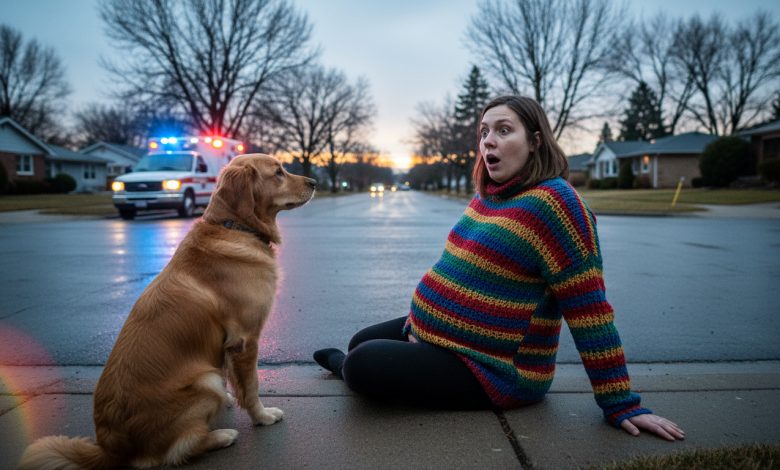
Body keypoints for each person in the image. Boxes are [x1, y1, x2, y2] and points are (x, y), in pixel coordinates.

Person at [314, 95, 684, 441]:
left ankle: (357, 368)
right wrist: (425, 333)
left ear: (536, 141)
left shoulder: (557, 206)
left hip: (493, 369)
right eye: (484, 132)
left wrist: (620, 401)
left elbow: (590, 312)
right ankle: (388, 357)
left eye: (504, 130)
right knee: (359, 342)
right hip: (442, 339)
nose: (488, 141)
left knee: (362, 363)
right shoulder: (489, 197)